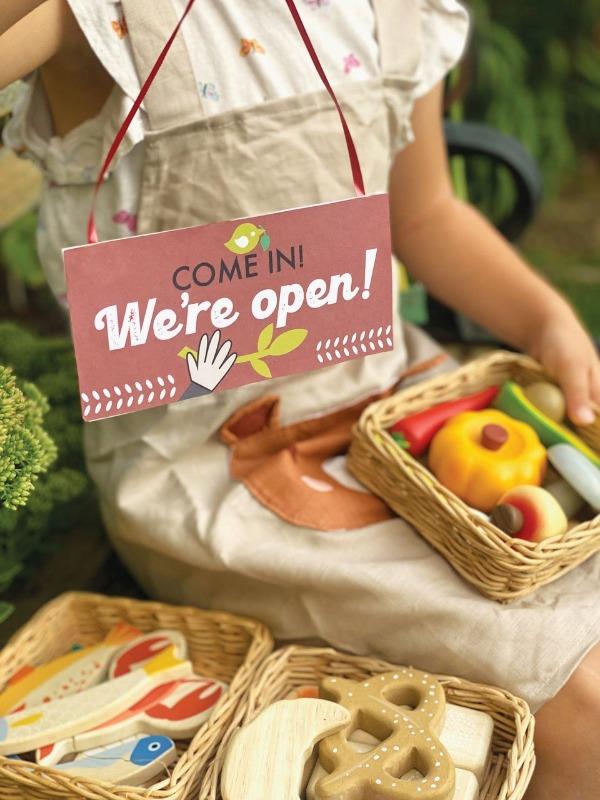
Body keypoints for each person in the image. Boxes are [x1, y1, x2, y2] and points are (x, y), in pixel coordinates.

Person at [1, 2, 599, 797]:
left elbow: (422, 214)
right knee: (580, 695)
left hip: (391, 404)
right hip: (204, 463)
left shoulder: (395, 10)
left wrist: (546, 319)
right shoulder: (102, 16)